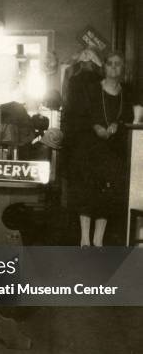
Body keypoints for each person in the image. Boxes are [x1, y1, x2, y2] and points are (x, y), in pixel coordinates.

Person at [68, 51, 136, 246]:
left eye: (118, 64)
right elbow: (81, 115)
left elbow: (131, 117)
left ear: (123, 69)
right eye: (110, 64)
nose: (114, 67)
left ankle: (98, 241)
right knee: (87, 190)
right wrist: (96, 127)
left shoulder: (127, 92)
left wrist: (118, 124)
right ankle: (84, 240)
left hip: (113, 150)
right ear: (104, 67)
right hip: (90, 147)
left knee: (108, 193)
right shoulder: (91, 89)